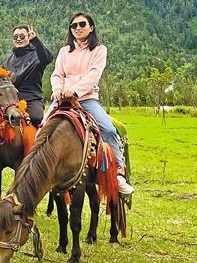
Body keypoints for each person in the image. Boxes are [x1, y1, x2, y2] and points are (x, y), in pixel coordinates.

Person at [48, 12, 134, 195]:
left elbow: (94, 74)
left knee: (108, 130)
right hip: (62, 98)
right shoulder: (64, 51)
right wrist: (56, 89)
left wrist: (75, 90)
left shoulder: (99, 50)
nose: (77, 28)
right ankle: (39, 169)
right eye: (74, 26)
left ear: (91, 27)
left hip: (86, 98)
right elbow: (57, 74)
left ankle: (118, 173)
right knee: (42, 128)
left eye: (82, 24)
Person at [0, 24, 52, 173]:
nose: (18, 39)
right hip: (10, 101)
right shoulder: (8, 60)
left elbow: (47, 58)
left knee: (36, 118)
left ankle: (38, 159)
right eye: (15, 37)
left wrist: (36, 40)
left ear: (29, 37)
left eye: (22, 36)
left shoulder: (37, 56)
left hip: (31, 99)